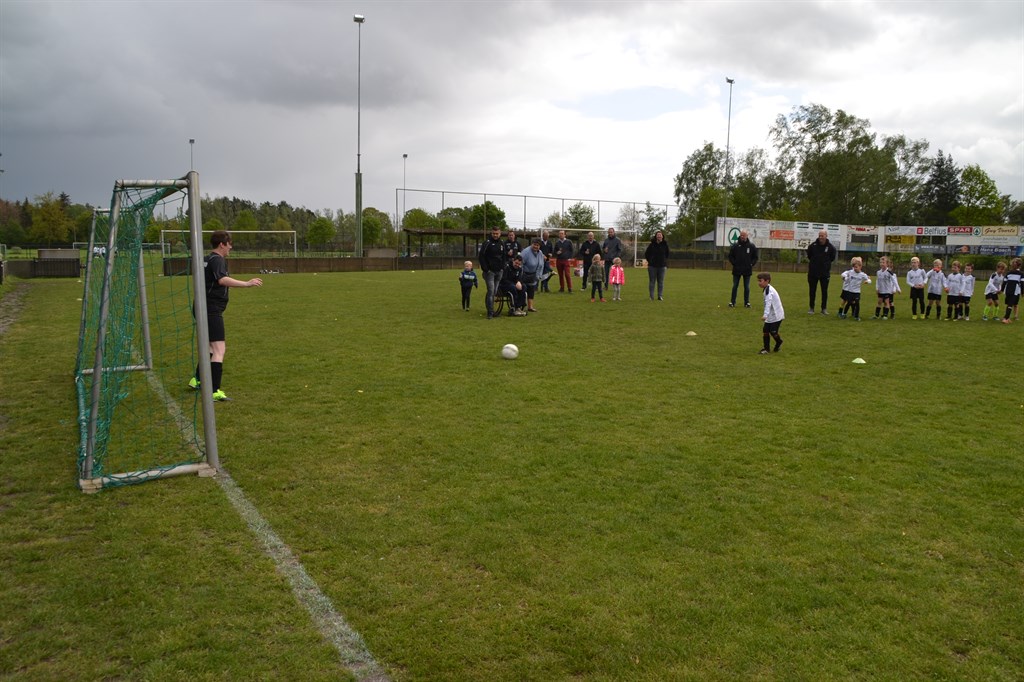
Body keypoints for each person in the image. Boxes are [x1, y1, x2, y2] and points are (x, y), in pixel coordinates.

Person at [189, 230, 263, 402]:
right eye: (229, 244)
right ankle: (214, 391)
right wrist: (247, 283)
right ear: (222, 244)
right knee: (219, 349)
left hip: (201, 307)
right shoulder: (217, 260)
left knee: (210, 347)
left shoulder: (207, 259)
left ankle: (197, 379)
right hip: (210, 309)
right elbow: (222, 280)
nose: (231, 247)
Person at [806, 228, 837, 314]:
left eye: (822, 236)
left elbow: (832, 258)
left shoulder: (831, 247)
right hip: (813, 273)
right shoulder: (812, 246)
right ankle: (811, 308)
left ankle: (824, 309)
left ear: (826, 236)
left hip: (824, 273)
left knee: (824, 291)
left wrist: (825, 265)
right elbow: (809, 256)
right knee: (812, 291)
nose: (821, 237)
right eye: (819, 236)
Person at [478, 226, 506, 319]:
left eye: (497, 233)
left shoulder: (502, 243)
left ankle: (489, 308)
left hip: (499, 272)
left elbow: (504, 256)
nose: (495, 235)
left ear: (500, 233)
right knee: (491, 291)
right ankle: (490, 312)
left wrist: (502, 267)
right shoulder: (487, 243)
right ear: (491, 233)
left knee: (494, 292)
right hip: (490, 272)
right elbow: (481, 256)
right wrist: (486, 269)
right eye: (494, 233)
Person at [728, 230, 759, 308]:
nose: (742, 236)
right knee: (735, 286)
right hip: (737, 269)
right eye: (741, 235)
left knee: (747, 287)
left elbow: (755, 257)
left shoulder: (751, 246)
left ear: (747, 236)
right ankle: (732, 302)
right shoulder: (735, 246)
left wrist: (751, 264)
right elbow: (730, 256)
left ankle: (747, 302)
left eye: (744, 235)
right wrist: (734, 263)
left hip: (747, 270)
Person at [757, 272, 785, 354]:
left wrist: (765, 315)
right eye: (758, 281)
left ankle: (779, 342)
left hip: (776, 315)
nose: (759, 283)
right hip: (770, 314)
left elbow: (768, 304)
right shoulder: (766, 289)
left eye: (760, 281)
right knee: (765, 330)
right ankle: (766, 349)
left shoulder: (769, 291)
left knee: (773, 332)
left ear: (767, 281)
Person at [839, 256, 871, 321]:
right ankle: (844, 313)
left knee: (857, 303)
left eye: (856, 267)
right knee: (848, 303)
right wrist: (845, 277)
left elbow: (869, 280)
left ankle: (856, 316)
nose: (855, 268)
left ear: (860, 266)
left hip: (857, 292)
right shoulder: (850, 272)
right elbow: (843, 274)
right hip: (849, 291)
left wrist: (867, 281)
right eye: (854, 267)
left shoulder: (862, 274)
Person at [520, 238, 546, 313]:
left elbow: (541, 264)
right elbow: (520, 264)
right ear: (531, 244)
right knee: (523, 290)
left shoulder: (540, 253)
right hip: (524, 274)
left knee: (531, 290)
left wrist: (539, 275)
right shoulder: (526, 252)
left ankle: (530, 307)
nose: (536, 246)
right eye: (534, 245)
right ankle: (520, 306)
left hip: (533, 274)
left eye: (537, 245)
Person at [644, 230, 670, 300]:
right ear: (656, 236)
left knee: (661, 282)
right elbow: (647, 254)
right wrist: (650, 261)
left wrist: (664, 261)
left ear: (662, 236)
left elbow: (667, 254)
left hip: (662, 266)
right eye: (658, 235)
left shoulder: (665, 245)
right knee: (652, 282)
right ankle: (651, 296)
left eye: (660, 235)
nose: (659, 236)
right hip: (652, 266)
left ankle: (660, 296)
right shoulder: (652, 245)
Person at [1002, 257, 1023, 324]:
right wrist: (1023, 292)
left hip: (1007, 290)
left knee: (1009, 304)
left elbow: (1004, 282)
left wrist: (1002, 290)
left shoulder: (1008, 273)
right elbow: (1022, 284)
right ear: (1019, 265)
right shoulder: (1021, 274)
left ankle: (1007, 318)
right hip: (1014, 291)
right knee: (1010, 305)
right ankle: (1005, 318)